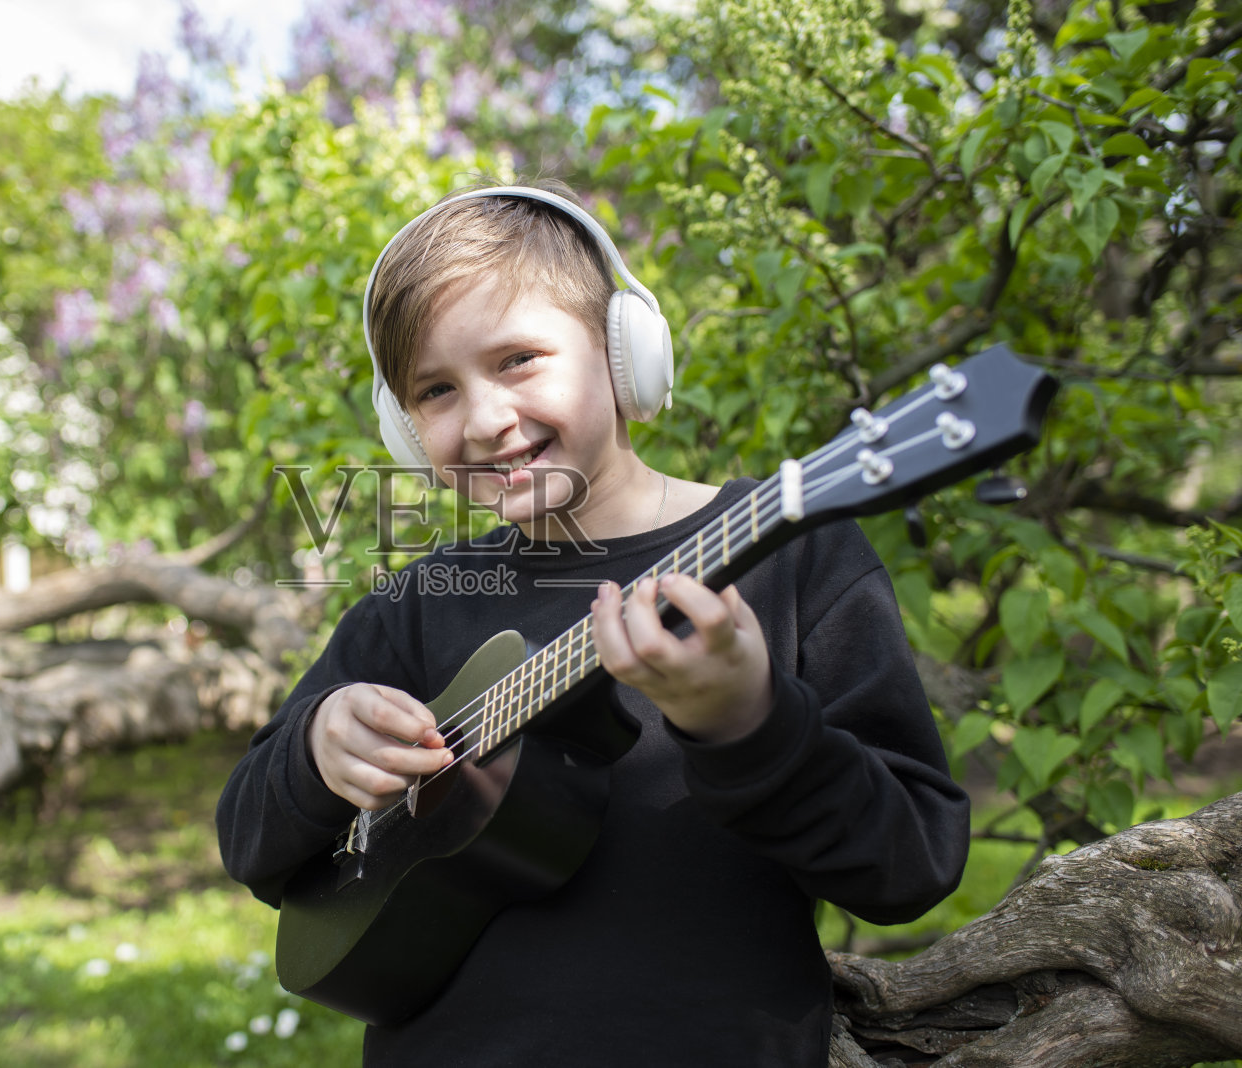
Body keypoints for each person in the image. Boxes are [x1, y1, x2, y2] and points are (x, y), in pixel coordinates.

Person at [215, 182, 969, 1066]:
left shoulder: (796, 556)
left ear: (626, 353)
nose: (488, 419)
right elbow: (250, 840)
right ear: (405, 430)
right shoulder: (423, 601)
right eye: (436, 390)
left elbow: (909, 863)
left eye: (519, 360)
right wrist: (316, 751)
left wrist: (749, 725)